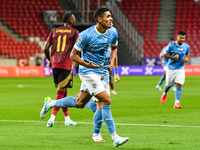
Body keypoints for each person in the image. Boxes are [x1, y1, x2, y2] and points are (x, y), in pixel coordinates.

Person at [40, 8, 129, 147]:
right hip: (88, 72)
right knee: (105, 99)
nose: (111, 19)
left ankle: (50, 103)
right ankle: (114, 137)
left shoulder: (113, 31)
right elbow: (73, 55)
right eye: (108, 16)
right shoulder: (86, 35)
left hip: (102, 72)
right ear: (99, 19)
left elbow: (115, 47)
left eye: (111, 16)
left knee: (80, 103)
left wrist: (111, 61)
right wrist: (86, 63)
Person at [43, 13, 79, 127]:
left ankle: (67, 119)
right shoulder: (74, 32)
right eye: (74, 19)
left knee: (64, 91)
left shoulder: (54, 31)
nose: (75, 20)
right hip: (66, 64)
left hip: (55, 63)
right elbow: (77, 49)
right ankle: (51, 118)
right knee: (60, 93)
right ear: (71, 21)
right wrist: (77, 60)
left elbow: (45, 48)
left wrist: (50, 60)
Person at [85, 50, 120, 142]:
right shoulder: (92, 39)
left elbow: (114, 56)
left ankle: (84, 101)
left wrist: (116, 73)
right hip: (95, 76)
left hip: (105, 77)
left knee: (84, 104)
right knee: (102, 105)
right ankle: (97, 134)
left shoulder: (110, 38)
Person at [160, 31, 190, 108]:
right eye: (181, 37)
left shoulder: (186, 46)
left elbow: (188, 55)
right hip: (171, 68)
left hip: (180, 68)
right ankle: (165, 93)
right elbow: (164, 54)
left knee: (179, 84)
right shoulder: (171, 46)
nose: (182, 39)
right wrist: (173, 57)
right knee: (168, 85)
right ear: (177, 37)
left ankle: (177, 103)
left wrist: (186, 59)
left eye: (184, 38)